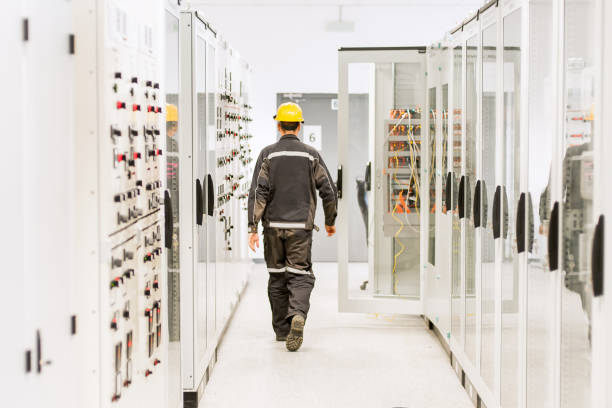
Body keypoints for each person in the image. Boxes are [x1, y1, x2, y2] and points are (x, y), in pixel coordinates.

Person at [247, 102, 338, 352]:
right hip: (300, 228)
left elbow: (258, 192)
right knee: (300, 275)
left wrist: (252, 228)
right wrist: (330, 221)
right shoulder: (311, 155)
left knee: (276, 276)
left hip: (273, 228)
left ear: (278, 126)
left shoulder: (267, 154)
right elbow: (329, 191)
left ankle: (281, 330)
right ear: (300, 125)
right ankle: (297, 314)